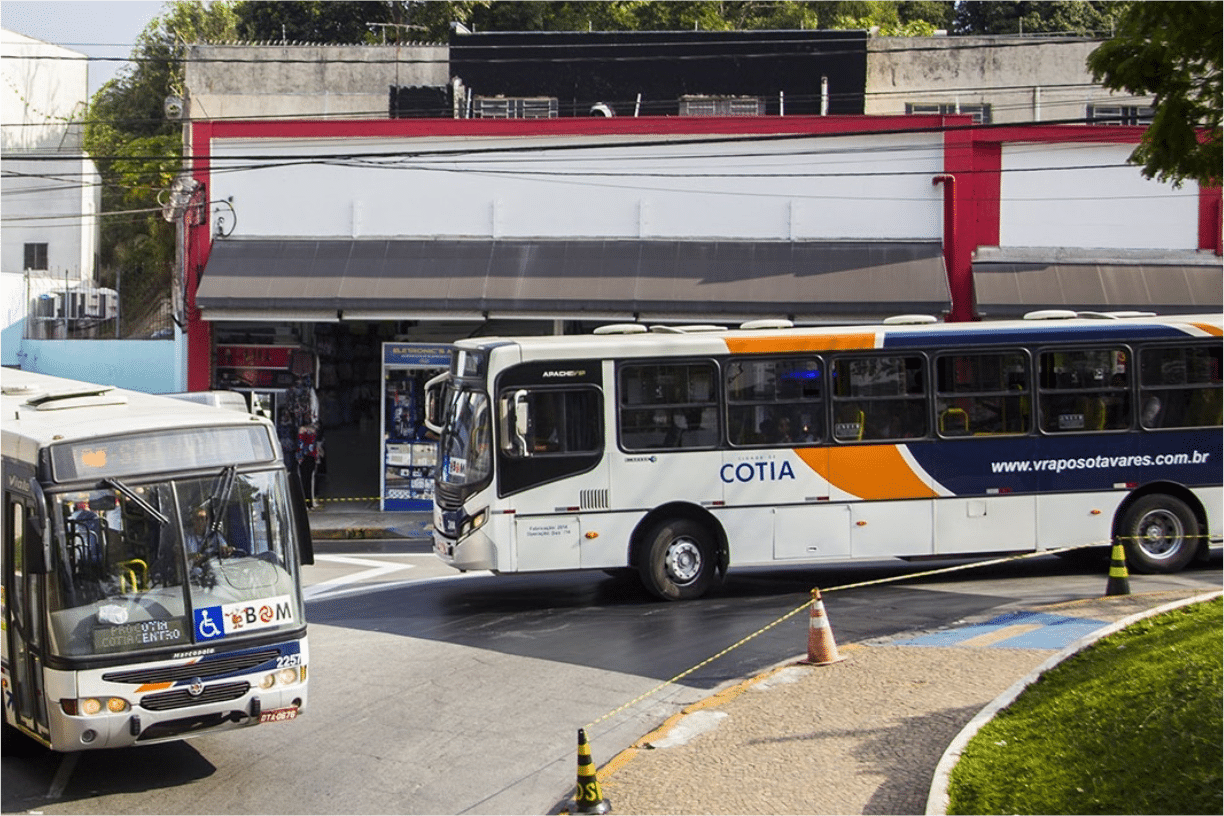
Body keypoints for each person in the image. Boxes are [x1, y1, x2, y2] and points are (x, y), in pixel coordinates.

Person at [297, 423, 321, 508]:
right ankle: (307, 503)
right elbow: (301, 445)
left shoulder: (310, 434)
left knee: (308, 480)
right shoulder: (304, 434)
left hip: (308, 458)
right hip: (305, 458)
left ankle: (309, 503)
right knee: (305, 481)